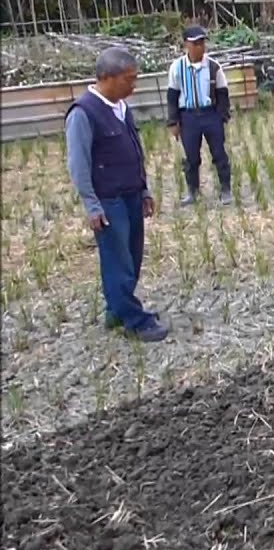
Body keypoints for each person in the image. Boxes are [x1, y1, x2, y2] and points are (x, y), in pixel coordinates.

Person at [65, 47, 169, 342]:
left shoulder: (122, 108)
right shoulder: (83, 113)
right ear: (107, 77)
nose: (133, 86)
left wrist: (144, 188)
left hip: (131, 194)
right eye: (129, 79)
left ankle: (116, 310)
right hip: (108, 200)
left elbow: (135, 152)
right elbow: (78, 163)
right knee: (117, 261)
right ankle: (135, 321)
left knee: (132, 257)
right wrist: (92, 205)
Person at [166, 25, 233, 206]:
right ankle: (192, 191)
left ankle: (226, 189)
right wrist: (173, 121)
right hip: (188, 117)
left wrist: (222, 116)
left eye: (202, 43)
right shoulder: (177, 68)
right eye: (195, 43)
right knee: (191, 157)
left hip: (210, 114)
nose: (200, 47)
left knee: (219, 153)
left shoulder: (213, 67)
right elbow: (172, 96)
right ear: (186, 45)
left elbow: (222, 92)